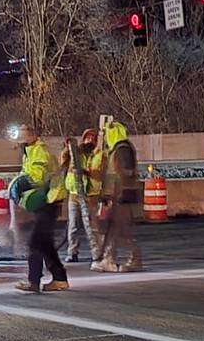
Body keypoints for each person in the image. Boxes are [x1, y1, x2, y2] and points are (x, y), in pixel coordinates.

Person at [10, 125, 69, 293]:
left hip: (50, 199)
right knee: (44, 243)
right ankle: (59, 278)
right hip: (47, 200)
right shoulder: (30, 152)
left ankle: (33, 281)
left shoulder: (39, 151)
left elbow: (38, 176)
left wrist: (20, 184)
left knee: (36, 242)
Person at [93, 121, 143, 273]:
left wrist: (115, 195)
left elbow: (122, 174)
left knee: (120, 230)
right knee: (115, 230)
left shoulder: (122, 149)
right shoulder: (119, 149)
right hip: (116, 196)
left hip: (119, 198)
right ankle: (110, 259)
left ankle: (128, 259)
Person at [62, 129, 103, 264]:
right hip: (74, 194)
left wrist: (85, 171)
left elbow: (99, 172)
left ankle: (96, 253)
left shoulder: (99, 154)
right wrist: (67, 148)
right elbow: (63, 162)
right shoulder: (75, 152)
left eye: (93, 138)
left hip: (90, 196)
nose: (90, 141)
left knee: (91, 227)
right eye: (87, 138)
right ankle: (72, 252)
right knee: (73, 226)